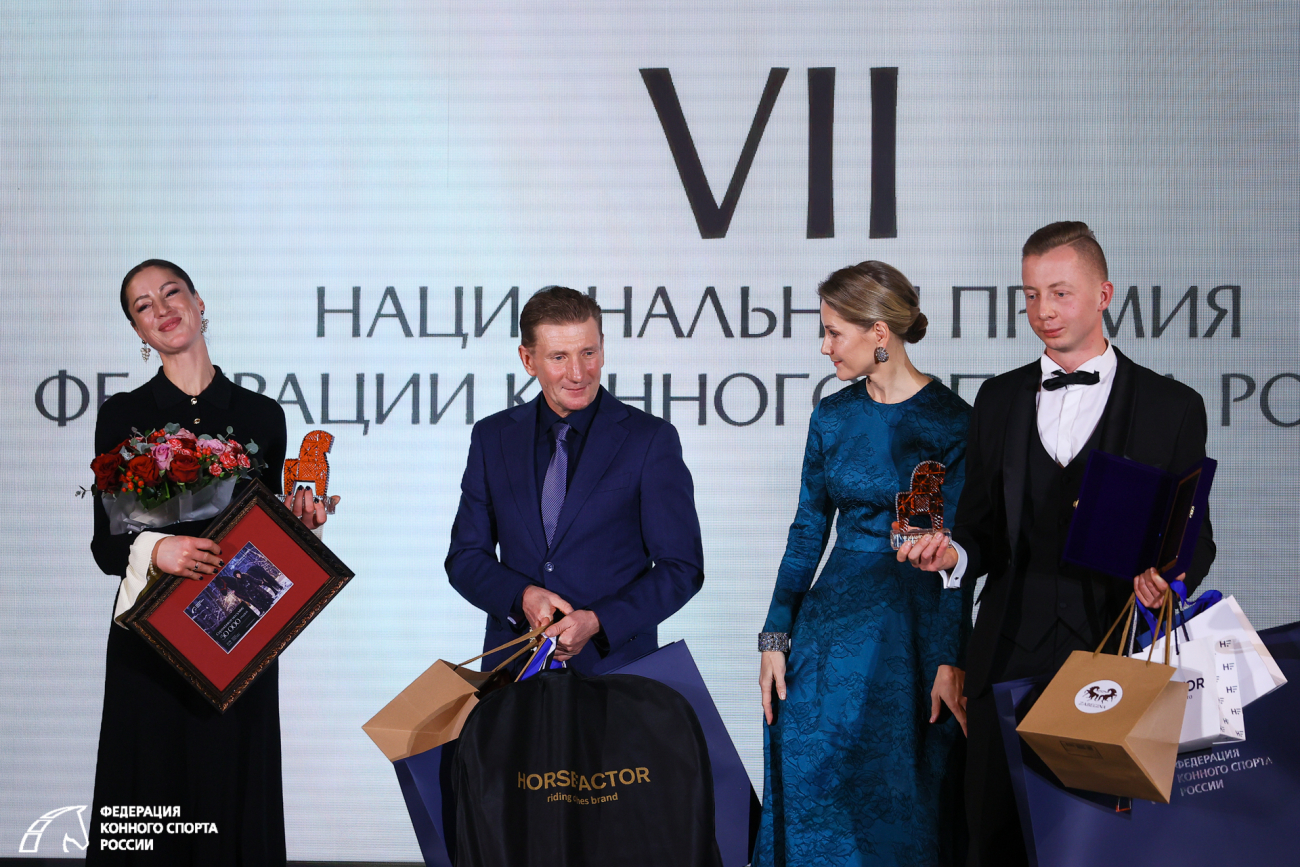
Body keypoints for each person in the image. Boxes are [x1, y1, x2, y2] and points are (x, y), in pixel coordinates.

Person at [898, 222, 1216, 866]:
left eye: (1061, 293)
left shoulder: (1172, 405)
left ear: (1104, 295)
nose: (1043, 310)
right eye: (1031, 294)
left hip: (1116, 660)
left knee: (1103, 851)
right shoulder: (997, 398)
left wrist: (1167, 581)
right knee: (995, 844)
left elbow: (1194, 538)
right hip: (1005, 660)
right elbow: (980, 528)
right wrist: (953, 555)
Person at [87, 259, 329, 866]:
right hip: (152, 636)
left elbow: (266, 539)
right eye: (144, 306)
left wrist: (300, 525)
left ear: (198, 303)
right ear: (139, 332)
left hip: (236, 638)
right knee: (149, 798)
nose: (162, 309)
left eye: (171, 293)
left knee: (234, 793)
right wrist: (157, 548)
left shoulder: (262, 416)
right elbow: (106, 546)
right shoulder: (122, 415)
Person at [755, 261, 972, 867]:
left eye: (833, 332)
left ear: (879, 332)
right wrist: (774, 636)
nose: (824, 347)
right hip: (829, 632)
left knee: (905, 799)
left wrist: (950, 657)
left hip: (913, 633)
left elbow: (962, 555)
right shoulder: (832, 416)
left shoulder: (953, 421)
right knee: (813, 782)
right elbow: (807, 530)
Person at [445, 286, 704, 673]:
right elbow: (465, 557)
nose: (578, 373)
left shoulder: (650, 439)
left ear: (603, 349)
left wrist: (599, 621)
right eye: (559, 357)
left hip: (614, 676)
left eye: (588, 353)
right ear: (528, 360)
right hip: (513, 675)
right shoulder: (492, 437)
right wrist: (522, 596)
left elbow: (681, 567)